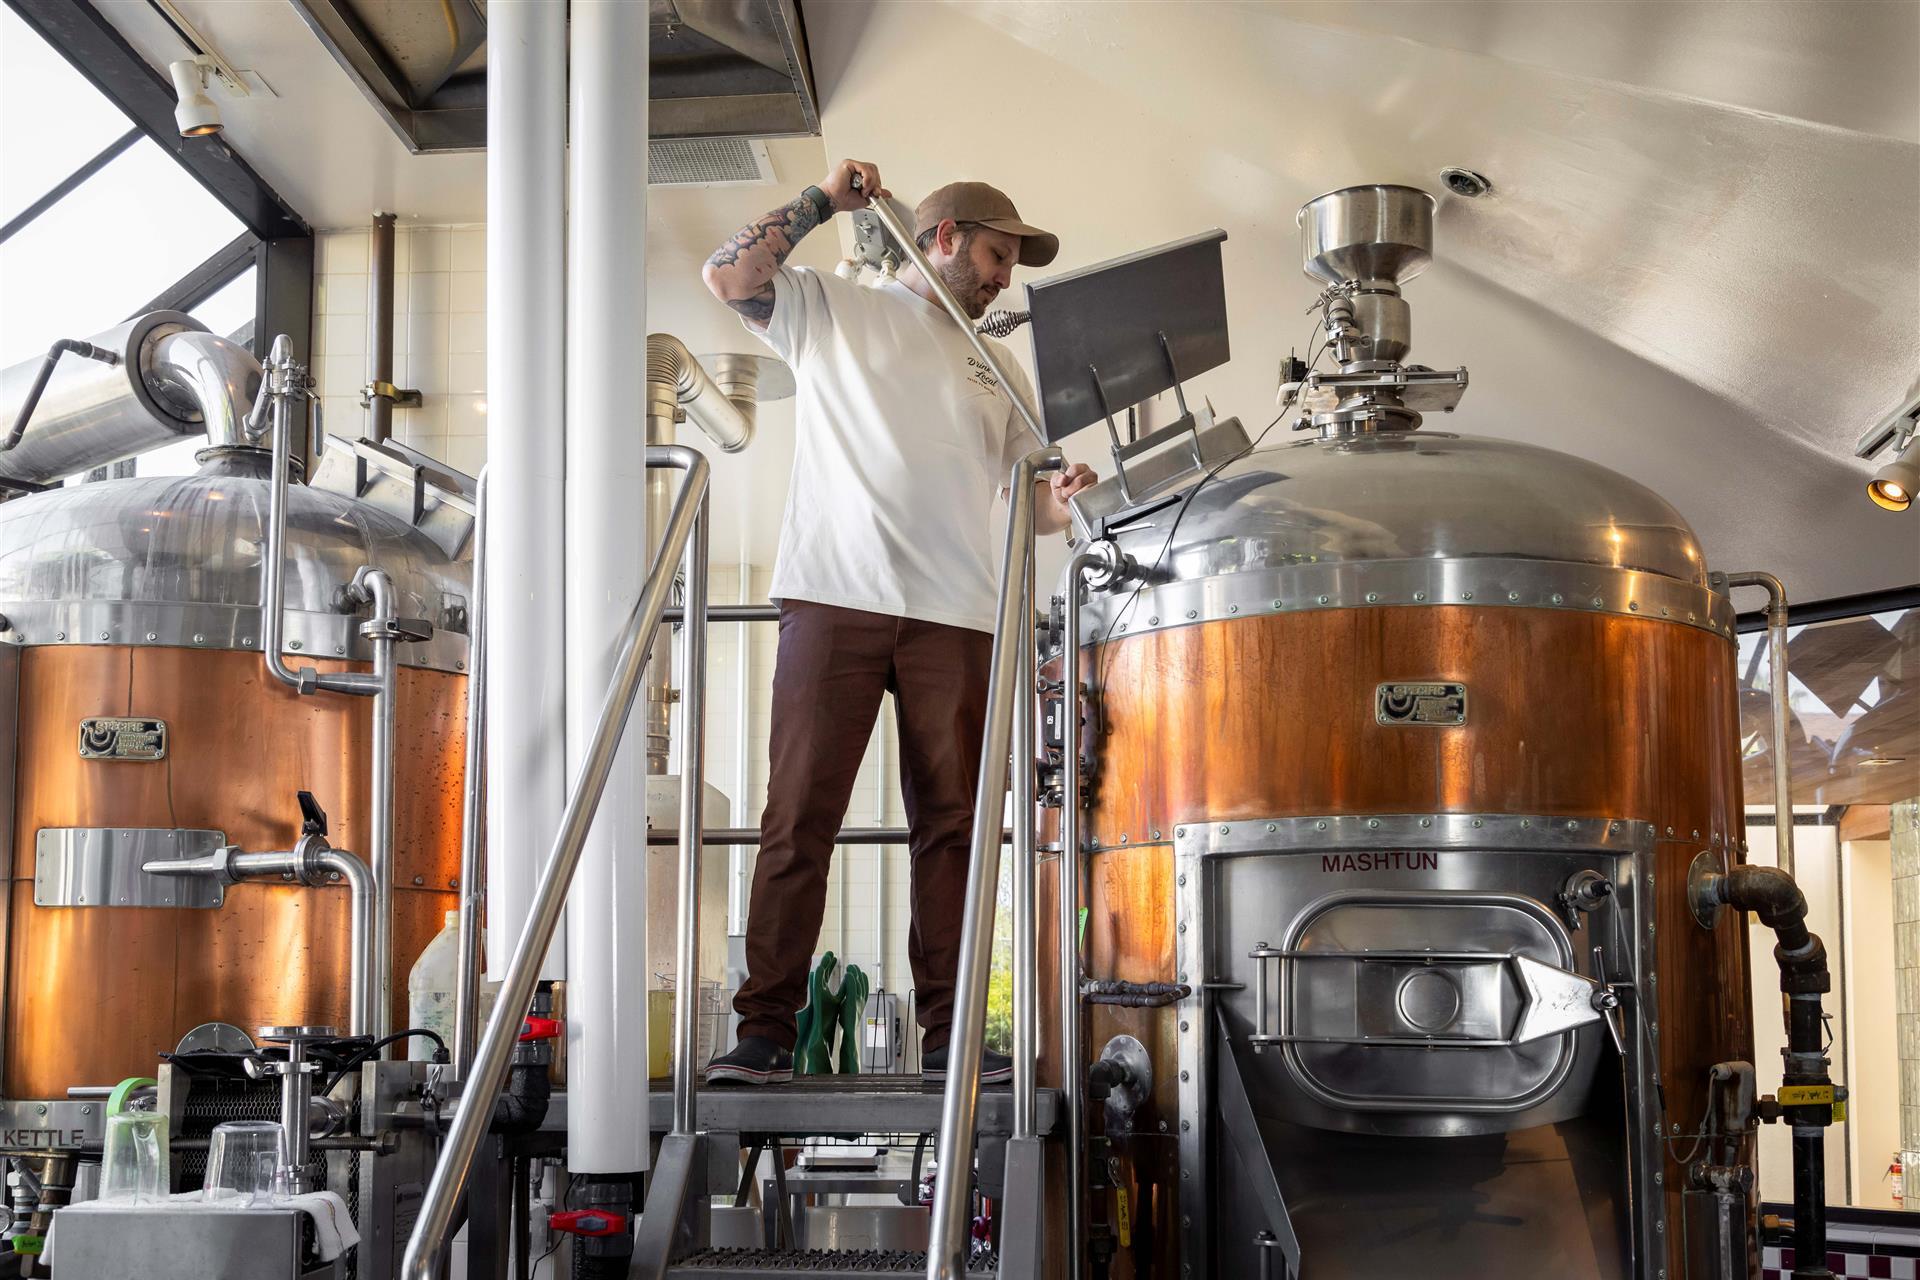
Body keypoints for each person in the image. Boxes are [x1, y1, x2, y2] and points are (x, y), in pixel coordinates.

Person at [699, 159, 1095, 1085]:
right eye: (998, 254)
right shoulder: (839, 308)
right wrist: (820, 202)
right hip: (836, 596)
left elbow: (1028, 504)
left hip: (956, 614)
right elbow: (728, 277)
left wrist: (1062, 497)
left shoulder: (995, 366)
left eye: (1013, 265)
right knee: (799, 818)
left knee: (953, 828)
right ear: (946, 238)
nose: (1005, 277)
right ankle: (763, 1036)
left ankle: (950, 1038)